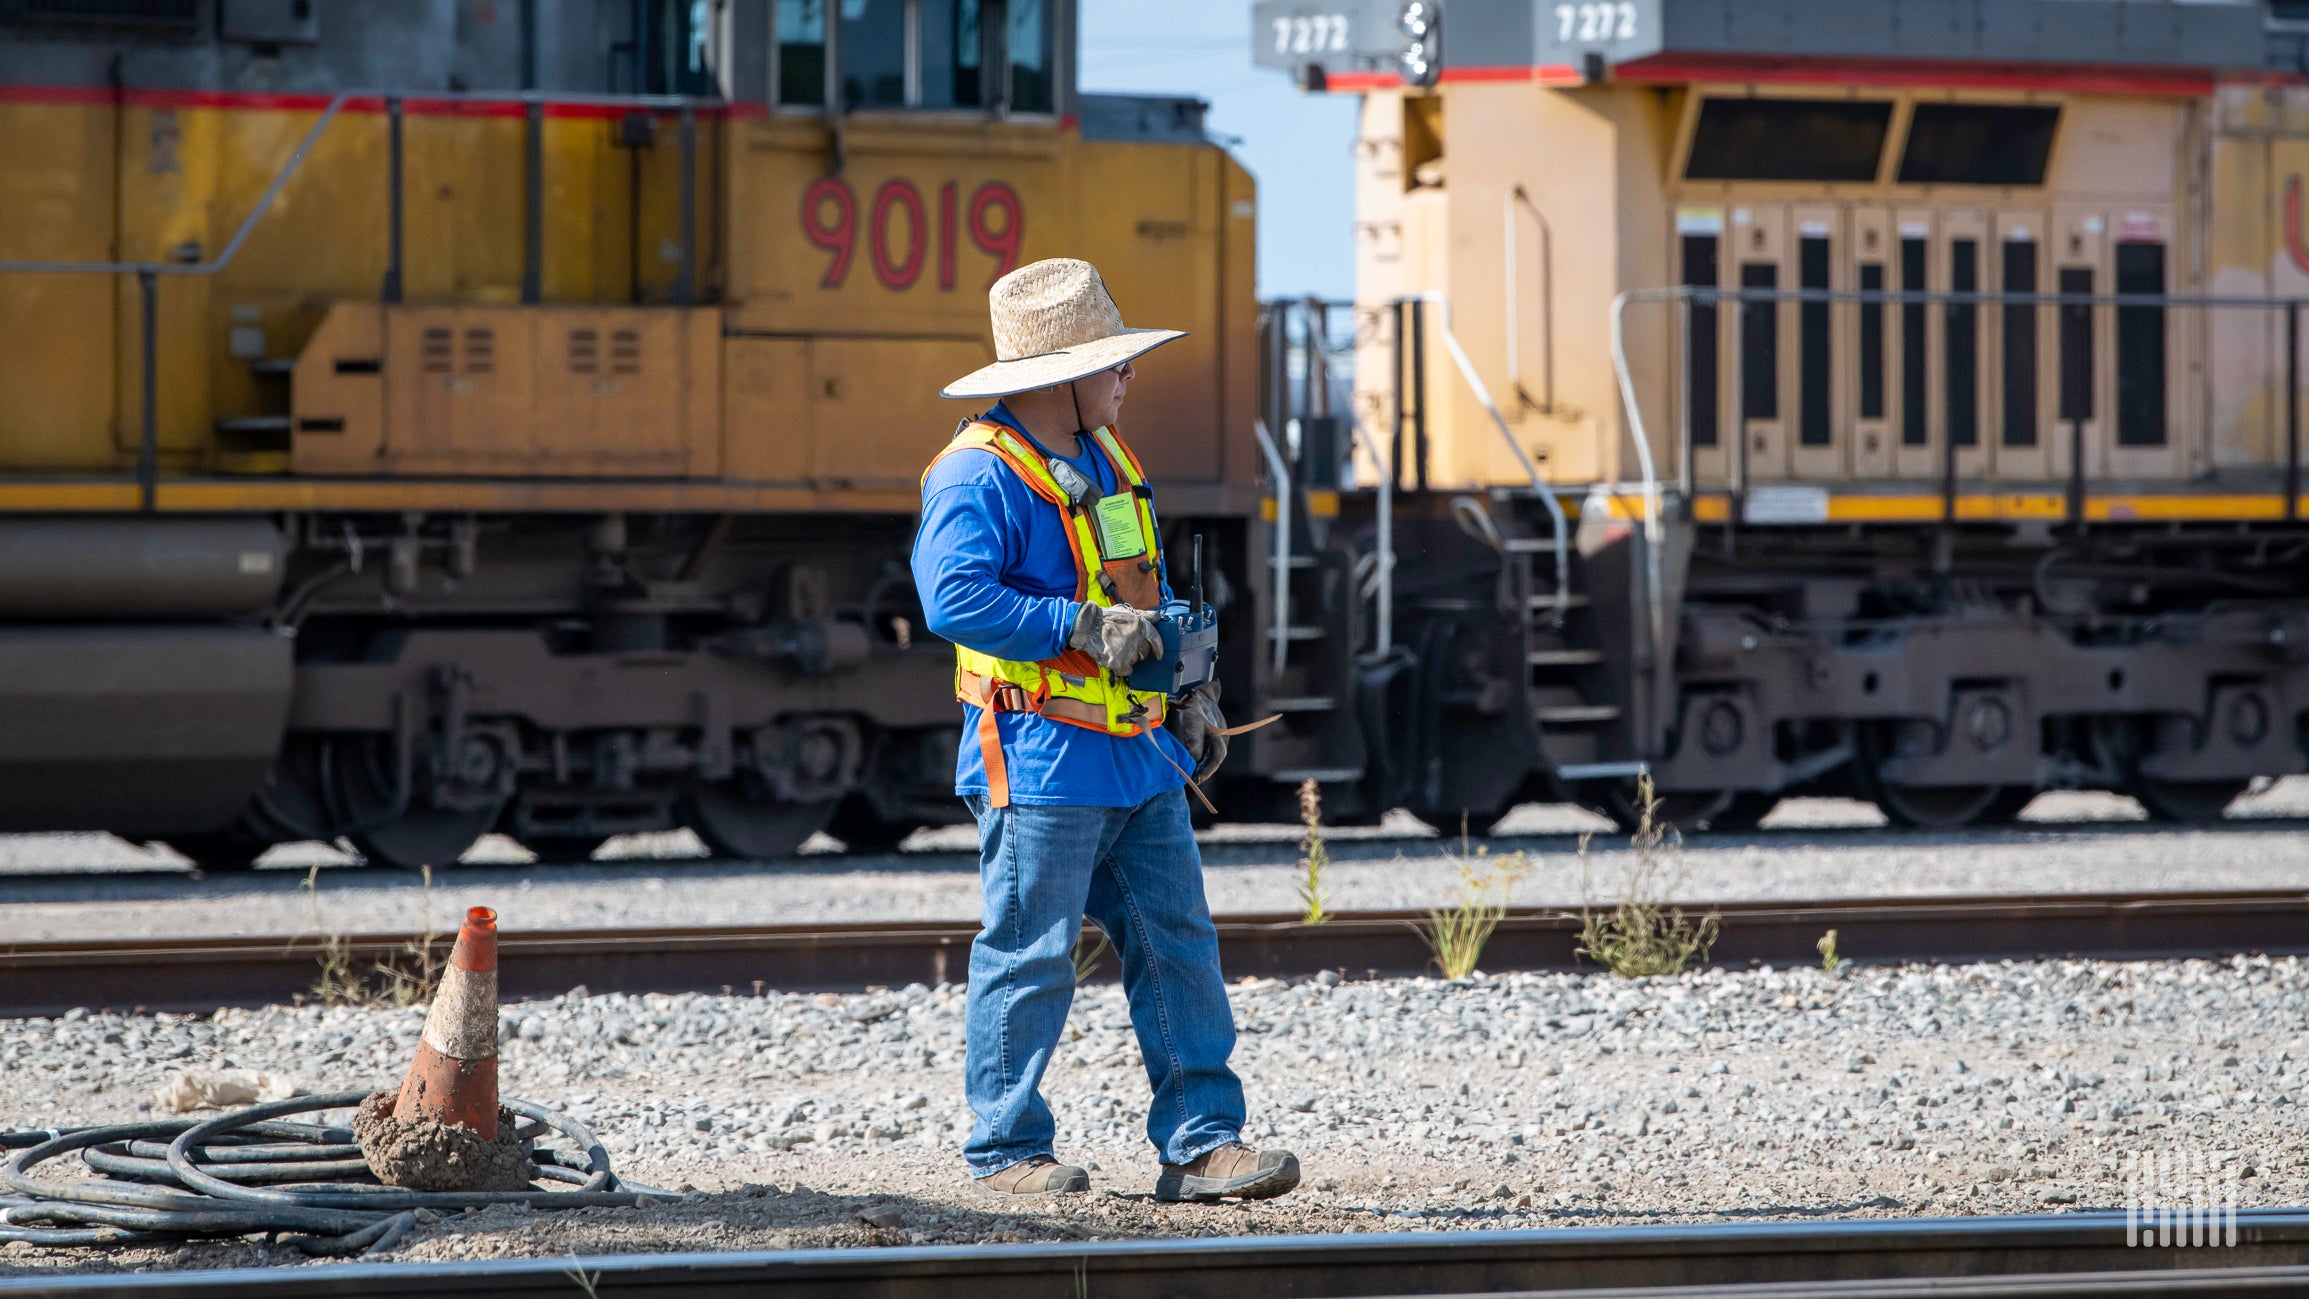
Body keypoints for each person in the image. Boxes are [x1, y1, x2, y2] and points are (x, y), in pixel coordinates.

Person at [910, 258, 1300, 1202]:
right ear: (1058, 379)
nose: (1128, 376)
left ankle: (1204, 1144)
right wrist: (1073, 626)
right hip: (1041, 753)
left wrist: (1186, 689)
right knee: (1030, 952)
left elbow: (1138, 588)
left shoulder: (1106, 456)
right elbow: (951, 596)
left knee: (1177, 945)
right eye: (1112, 363)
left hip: (1136, 756)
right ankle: (1005, 1152)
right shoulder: (976, 474)